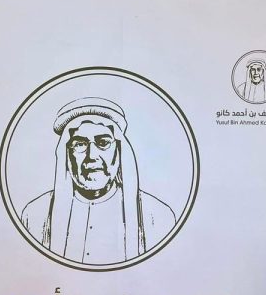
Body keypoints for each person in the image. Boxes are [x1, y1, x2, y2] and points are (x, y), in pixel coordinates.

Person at [20, 98, 175, 265]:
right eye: (80, 144)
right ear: (66, 152)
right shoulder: (35, 214)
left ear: (119, 150)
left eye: (103, 143)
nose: (92, 156)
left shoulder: (157, 216)